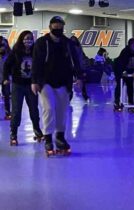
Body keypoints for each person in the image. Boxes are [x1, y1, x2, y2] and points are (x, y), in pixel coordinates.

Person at [31, 16, 82, 156]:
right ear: (50, 27)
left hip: (64, 82)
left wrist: (78, 77)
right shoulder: (42, 42)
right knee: (48, 108)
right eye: (55, 26)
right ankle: (48, 137)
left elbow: (75, 60)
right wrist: (34, 81)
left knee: (62, 110)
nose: (58, 28)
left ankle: (59, 136)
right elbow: (36, 62)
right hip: (45, 81)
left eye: (60, 26)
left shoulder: (67, 43)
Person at [2, 31, 43, 146]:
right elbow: (6, 65)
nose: (28, 41)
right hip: (18, 85)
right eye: (25, 39)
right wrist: (6, 77)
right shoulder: (15, 51)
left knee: (34, 109)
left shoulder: (36, 52)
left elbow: (41, 67)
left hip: (31, 85)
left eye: (30, 39)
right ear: (21, 39)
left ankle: (37, 130)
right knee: (16, 111)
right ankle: (13, 133)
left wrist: (40, 81)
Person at [114, 38, 134, 113]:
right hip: (120, 70)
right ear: (130, 45)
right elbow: (120, 63)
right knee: (119, 85)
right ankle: (116, 102)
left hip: (130, 71)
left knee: (130, 87)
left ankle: (131, 104)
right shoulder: (125, 52)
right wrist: (123, 72)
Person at [70, 36, 90, 101]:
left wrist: (83, 67)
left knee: (82, 82)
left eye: (74, 40)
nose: (73, 41)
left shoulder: (79, 48)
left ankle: (85, 96)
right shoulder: (69, 48)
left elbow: (81, 58)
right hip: (71, 67)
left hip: (78, 67)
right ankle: (70, 96)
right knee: (69, 82)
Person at [0, 36, 11, 120]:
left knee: (6, 95)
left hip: (5, 77)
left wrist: (9, 77)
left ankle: (8, 113)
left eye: (3, 45)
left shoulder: (9, 56)